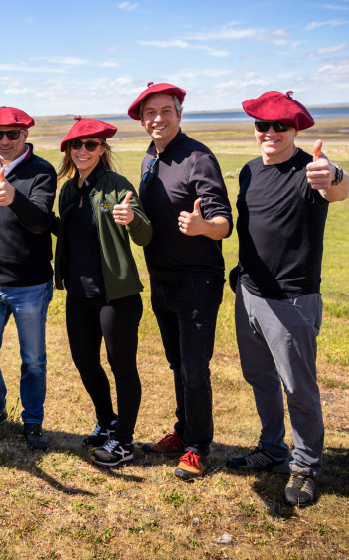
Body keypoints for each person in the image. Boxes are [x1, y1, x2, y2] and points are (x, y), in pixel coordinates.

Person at [225, 91, 349, 507]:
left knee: (298, 388)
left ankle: (306, 466)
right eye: (264, 125)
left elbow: (339, 187)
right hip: (250, 295)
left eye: (282, 126)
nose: (272, 133)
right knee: (259, 379)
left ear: (296, 130)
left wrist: (332, 176)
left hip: (292, 301)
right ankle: (273, 449)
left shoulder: (310, 171)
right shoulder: (248, 172)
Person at [127, 83, 232, 480]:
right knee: (177, 364)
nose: (158, 118)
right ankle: (182, 430)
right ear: (142, 119)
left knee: (194, 368)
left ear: (179, 114)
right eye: (150, 112)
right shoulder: (150, 160)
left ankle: (197, 447)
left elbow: (225, 224)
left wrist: (204, 225)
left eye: (166, 111)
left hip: (197, 282)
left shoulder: (197, 157)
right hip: (162, 280)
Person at [53, 117, 152, 467]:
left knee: (122, 365)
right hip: (79, 294)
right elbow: (65, 232)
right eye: (76, 145)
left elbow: (145, 235)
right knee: (84, 362)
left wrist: (132, 218)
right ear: (68, 149)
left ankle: (124, 442)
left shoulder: (117, 186)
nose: (82, 150)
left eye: (91, 144)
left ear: (102, 149)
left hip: (116, 295)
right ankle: (107, 421)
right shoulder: (67, 190)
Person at [0, 107, 57, 450]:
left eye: (12, 134)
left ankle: (32, 420)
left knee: (33, 360)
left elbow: (41, 222)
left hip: (30, 286)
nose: (4, 141)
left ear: (25, 135)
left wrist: (15, 199)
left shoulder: (42, 171)